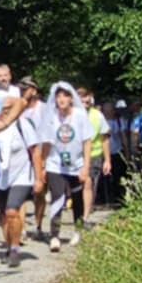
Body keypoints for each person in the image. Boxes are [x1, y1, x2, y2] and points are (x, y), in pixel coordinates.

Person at [0, 81, 45, 264]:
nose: (5, 111)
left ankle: (15, 248)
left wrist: (39, 179)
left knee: (12, 210)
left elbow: (35, 152)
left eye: (9, 108)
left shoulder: (23, 125)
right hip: (1, 177)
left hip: (22, 175)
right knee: (3, 215)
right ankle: (8, 246)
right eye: (2, 108)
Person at [44, 82, 93, 249]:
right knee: (58, 197)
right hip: (55, 163)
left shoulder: (80, 115)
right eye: (58, 96)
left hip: (76, 163)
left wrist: (86, 166)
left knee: (77, 198)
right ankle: (54, 235)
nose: (61, 100)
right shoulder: (51, 116)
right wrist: (43, 164)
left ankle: (77, 231)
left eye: (65, 96)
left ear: (71, 98)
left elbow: (87, 141)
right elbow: (47, 142)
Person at [78, 86, 113, 212]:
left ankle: (86, 211)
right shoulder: (70, 115)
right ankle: (79, 207)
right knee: (78, 185)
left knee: (90, 183)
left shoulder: (97, 115)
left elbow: (105, 138)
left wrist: (107, 160)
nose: (85, 105)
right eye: (82, 102)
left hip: (94, 155)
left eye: (87, 102)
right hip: (76, 156)